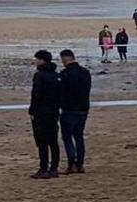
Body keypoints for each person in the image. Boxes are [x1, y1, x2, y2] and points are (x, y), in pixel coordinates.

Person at [29, 50, 62, 178]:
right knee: (53, 141)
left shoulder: (39, 76)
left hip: (41, 113)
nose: (35, 61)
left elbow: (36, 95)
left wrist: (32, 111)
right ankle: (54, 168)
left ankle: (43, 169)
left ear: (42, 60)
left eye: (37, 59)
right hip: (53, 112)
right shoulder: (56, 75)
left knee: (42, 142)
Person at [57, 49, 91, 174]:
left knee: (67, 137)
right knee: (79, 136)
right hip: (83, 108)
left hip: (69, 109)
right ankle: (80, 163)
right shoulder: (85, 72)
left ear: (65, 59)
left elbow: (61, 92)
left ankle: (72, 163)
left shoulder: (65, 74)